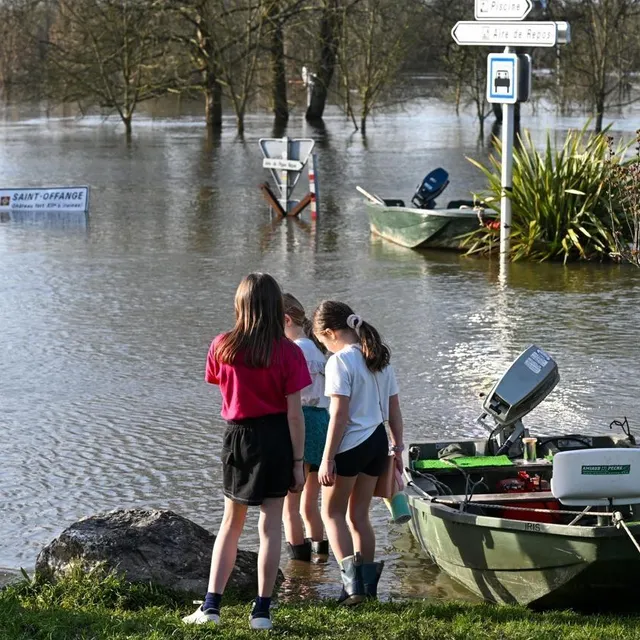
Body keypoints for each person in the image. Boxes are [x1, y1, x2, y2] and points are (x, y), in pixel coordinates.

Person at [183, 273, 310, 630]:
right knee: (270, 526)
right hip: (277, 437)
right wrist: (299, 463)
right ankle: (262, 612)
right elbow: (295, 414)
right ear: (275, 307)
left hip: (238, 436)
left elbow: (218, 384)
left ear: (239, 305)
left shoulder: (222, 346)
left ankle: (210, 608)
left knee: (230, 524)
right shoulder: (289, 352)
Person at [312, 301, 404, 604]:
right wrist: (398, 448)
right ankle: (367, 588)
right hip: (378, 442)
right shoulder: (379, 358)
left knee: (332, 513)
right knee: (359, 515)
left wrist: (327, 458)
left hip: (351, 444)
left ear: (329, 332)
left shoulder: (340, 362)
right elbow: (394, 411)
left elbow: (338, 415)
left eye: (323, 342)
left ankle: (351, 589)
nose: (325, 348)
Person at [282, 293, 330, 562]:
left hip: (302, 422)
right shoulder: (317, 350)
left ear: (286, 320)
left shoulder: (294, 350)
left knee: (290, 505)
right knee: (310, 504)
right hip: (322, 423)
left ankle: (299, 569)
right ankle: (320, 560)